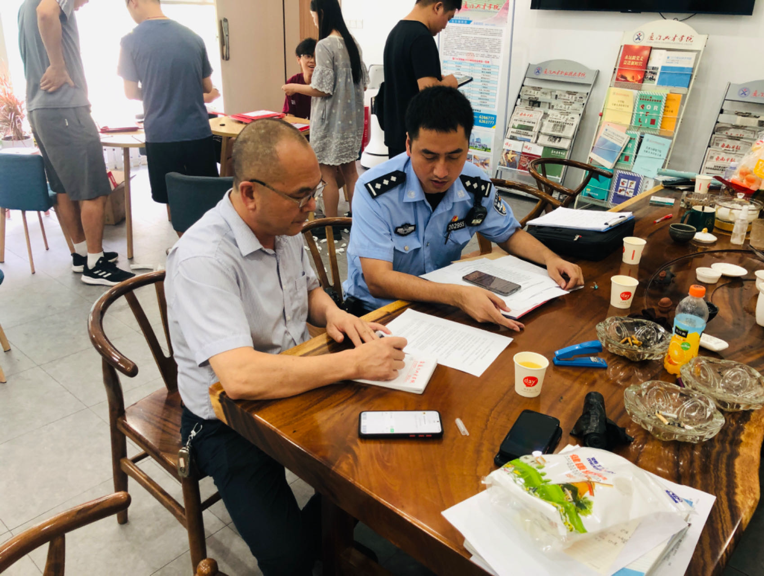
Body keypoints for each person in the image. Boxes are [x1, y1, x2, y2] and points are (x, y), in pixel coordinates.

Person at [166, 119, 407, 575]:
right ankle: (319, 543)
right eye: (300, 196)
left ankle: (330, 537)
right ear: (250, 193)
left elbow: (308, 290)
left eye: (314, 191)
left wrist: (334, 314)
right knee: (287, 556)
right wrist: (353, 363)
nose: (311, 206)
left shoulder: (284, 227)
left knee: (377, 464)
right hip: (227, 417)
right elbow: (239, 378)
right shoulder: (204, 259)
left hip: (296, 378)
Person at [343, 87, 584, 330]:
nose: (441, 172)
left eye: (453, 156)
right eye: (429, 156)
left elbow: (508, 233)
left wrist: (551, 259)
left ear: (468, 146)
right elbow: (378, 280)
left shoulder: (474, 184)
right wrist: (456, 296)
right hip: (379, 313)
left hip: (442, 304)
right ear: (408, 144)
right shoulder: (375, 191)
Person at [17, 0, 134, 286]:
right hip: (65, 106)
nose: (85, 3)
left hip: (40, 108)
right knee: (93, 187)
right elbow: (46, 13)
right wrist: (58, 66)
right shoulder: (45, 5)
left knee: (64, 188)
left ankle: (82, 255)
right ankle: (95, 265)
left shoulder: (23, 5)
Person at [119, 0, 220, 206]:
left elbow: (130, 93)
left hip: (161, 135)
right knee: (206, 198)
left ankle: (181, 227)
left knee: (173, 199)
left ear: (133, 2)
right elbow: (207, 86)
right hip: (197, 133)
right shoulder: (193, 37)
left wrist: (156, 91)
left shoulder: (130, 40)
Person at [281, 0, 367, 221]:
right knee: (351, 173)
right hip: (352, 122)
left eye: (313, 17)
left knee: (326, 174)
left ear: (321, 13)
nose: (314, 22)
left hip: (329, 122)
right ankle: (355, 222)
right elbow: (363, 84)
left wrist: (294, 87)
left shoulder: (325, 45)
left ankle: (330, 226)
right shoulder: (353, 43)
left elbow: (322, 89)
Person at [382, 0, 461, 158]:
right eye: (448, 18)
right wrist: (449, 84)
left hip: (395, 132)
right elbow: (428, 92)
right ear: (438, 7)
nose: (445, 25)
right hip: (416, 137)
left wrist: (437, 80)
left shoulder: (396, 31)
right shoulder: (422, 38)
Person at [282, 38, 316, 120]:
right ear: (298, 59)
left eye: (316, 56)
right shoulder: (292, 82)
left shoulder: (325, 82)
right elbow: (289, 114)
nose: (312, 60)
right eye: (308, 56)